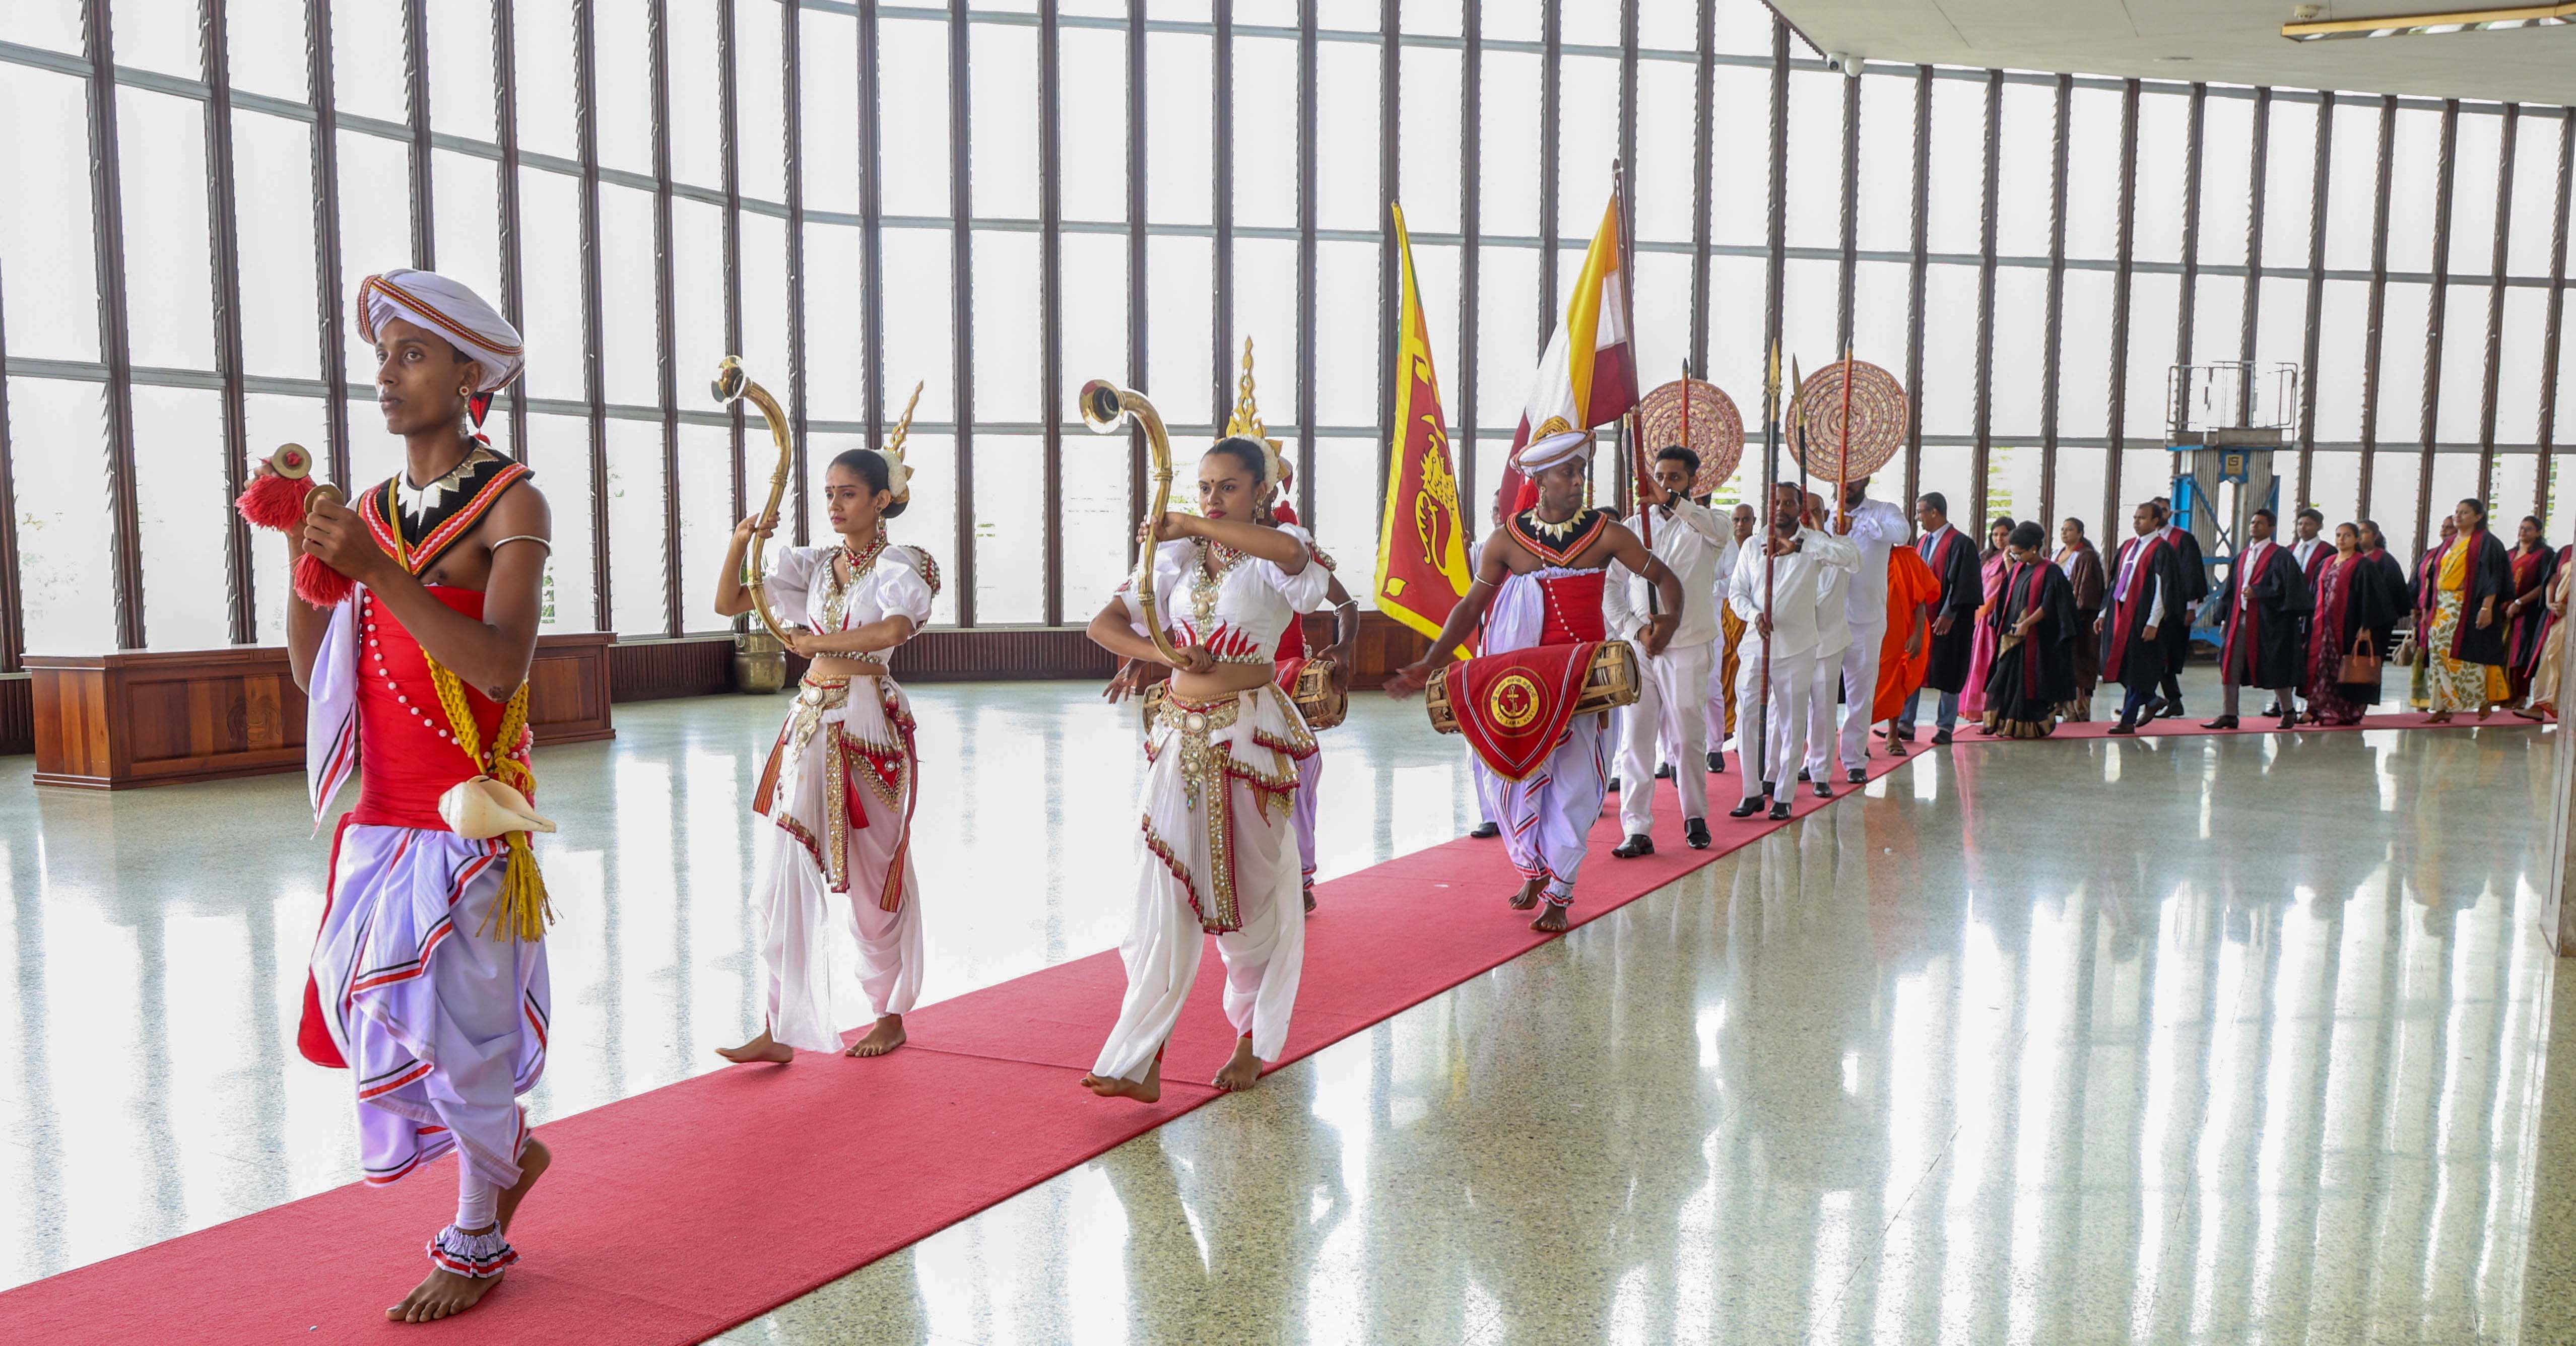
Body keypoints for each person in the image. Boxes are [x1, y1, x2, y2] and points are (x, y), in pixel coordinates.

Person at [279, 271, 555, 1322]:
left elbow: (498, 664)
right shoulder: (371, 512)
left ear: (469, 373)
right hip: (380, 816)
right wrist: (305, 557)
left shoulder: (513, 502)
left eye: (412, 355)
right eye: (383, 357)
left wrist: (378, 571)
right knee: (381, 1013)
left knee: (462, 1035)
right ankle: (509, 1153)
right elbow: (315, 672)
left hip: (469, 817)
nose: (387, 377)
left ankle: (477, 1236)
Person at [1081, 435, 1331, 1102]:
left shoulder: (1278, 551)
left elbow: (1298, 563)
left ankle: (1249, 1039)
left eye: (1228, 487)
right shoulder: (1177, 560)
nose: (1213, 498)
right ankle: (1141, 1058)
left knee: (1249, 899)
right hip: (1178, 737)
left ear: (1261, 492)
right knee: (1161, 892)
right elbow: (1102, 623)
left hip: (1248, 739)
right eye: (1203, 487)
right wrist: (1162, 654)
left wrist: (1190, 521)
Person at [1386, 431, 1682, 931]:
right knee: (1512, 780)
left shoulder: (1607, 534)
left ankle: (1560, 891)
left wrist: (1668, 621)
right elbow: (1471, 607)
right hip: (1520, 686)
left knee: (1573, 787)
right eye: (1567, 473)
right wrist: (1429, 661)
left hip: (1584, 680)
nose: (1578, 481)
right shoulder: (1506, 540)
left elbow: (1665, 579)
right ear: (1540, 480)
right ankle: (1532, 868)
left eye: (1581, 471)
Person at [712, 437, 936, 1066]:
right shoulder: (812, 565)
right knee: (783, 872)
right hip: (811, 719)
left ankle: (888, 1014)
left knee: (872, 873)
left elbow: (895, 628)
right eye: (830, 494)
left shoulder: (902, 562)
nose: (835, 504)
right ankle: (780, 1024)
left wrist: (819, 643)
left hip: (867, 725)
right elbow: (731, 601)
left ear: (881, 500)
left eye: (849, 493)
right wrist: (741, 542)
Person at [1604, 447, 1730, 856]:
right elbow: (1611, 588)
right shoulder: (1631, 528)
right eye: (1659, 476)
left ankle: (1694, 816)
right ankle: (1636, 827)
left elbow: (1720, 533)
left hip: (1688, 644)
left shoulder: (1708, 525)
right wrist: (1634, 629)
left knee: (1687, 736)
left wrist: (1673, 503)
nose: (1664, 484)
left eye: (1674, 478)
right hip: (1640, 646)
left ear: (1693, 481)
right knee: (1636, 737)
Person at [1726, 491, 1860, 820]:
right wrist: (1754, 615)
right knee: (1747, 717)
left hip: (1797, 647)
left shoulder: (1812, 543)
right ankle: (1751, 792)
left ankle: (1784, 796)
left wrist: (1799, 547)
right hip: (1756, 645)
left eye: (1788, 503)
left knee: (1792, 721)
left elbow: (1851, 559)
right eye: (1775, 502)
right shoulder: (1752, 545)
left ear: (1799, 508)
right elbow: (1737, 592)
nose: (1780, 508)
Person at [1825, 477, 1910, 783]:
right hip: (1827, 618)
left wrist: (1860, 525)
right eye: (1842, 477)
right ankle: (1816, 760)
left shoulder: (1884, 511)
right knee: (1820, 694)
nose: (1847, 482)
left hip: (1867, 619)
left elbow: (1903, 534)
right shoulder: (1824, 514)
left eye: (1854, 477)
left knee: (1860, 694)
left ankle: (1854, 759)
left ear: (1867, 479)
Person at [2200, 507, 2313, 731]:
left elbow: (2289, 589)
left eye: (2260, 523)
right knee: (2230, 664)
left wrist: (2259, 592)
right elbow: (2231, 590)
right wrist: (2224, 618)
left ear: (2271, 528)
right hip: (2240, 619)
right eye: (2253, 522)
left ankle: (2288, 711)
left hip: (2270, 622)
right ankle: (2229, 714)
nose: (2254, 526)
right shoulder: (2242, 556)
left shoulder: (2281, 556)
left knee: (2276, 665)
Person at [2416, 498, 2516, 723]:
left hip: (2467, 606)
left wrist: (2487, 607)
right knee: (2438, 654)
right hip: (2442, 605)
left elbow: (2493, 577)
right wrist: (2428, 608)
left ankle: (2483, 698)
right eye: (2457, 512)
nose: (2458, 516)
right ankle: (2442, 707)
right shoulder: (2449, 542)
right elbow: (2433, 576)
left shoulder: (2487, 542)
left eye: (2465, 513)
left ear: (2478, 517)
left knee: (2464, 654)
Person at [1978, 521, 2078, 737]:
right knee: (2004, 679)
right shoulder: (2019, 568)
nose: (2016, 557)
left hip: (2036, 640)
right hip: (2011, 637)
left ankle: (2029, 726)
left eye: (2019, 553)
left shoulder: (2051, 571)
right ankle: (2000, 723)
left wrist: (2027, 624)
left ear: (2034, 548)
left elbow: (2050, 604)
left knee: (2028, 685)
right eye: (2014, 554)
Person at [1895, 492, 1980, 746]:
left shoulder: (1961, 543)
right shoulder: (1922, 542)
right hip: (1922, 620)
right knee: (1913, 666)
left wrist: (1949, 613)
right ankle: (1905, 724)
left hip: (1949, 622)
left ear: (1934, 512)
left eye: (1920, 512)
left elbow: (1964, 583)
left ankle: (1945, 727)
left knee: (1949, 671)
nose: (1917, 518)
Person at [2099, 499, 2189, 735]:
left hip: (2142, 614)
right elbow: (2115, 581)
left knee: (2136, 666)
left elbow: (2163, 588)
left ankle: (2128, 720)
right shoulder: (2128, 546)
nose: (2137, 522)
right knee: (2115, 662)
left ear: (2156, 521)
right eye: (2135, 518)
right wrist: (2104, 612)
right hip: (2119, 611)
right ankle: (2151, 699)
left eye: (2142, 518)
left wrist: (2153, 622)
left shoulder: (2162, 549)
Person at [2305, 522, 2400, 726]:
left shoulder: (2363, 565)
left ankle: (2345, 711)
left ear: (2356, 539)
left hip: (2349, 625)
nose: (2341, 539)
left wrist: (2366, 626)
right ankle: (2317, 707)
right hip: (2324, 625)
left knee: (2345, 668)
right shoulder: (2327, 563)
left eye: (2347, 536)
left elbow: (2372, 598)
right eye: (2338, 535)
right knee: (2322, 665)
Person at [1870, 536, 1941, 755]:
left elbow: (1920, 600)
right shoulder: (1862, 555)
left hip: (1899, 630)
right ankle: (1858, 739)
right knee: (1862, 684)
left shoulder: (1907, 558)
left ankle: (1893, 734)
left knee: (1897, 682)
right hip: (1865, 630)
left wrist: (1917, 634)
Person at [1704, 502, 1755, 771]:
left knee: (1713, 687)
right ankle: (1670, 756)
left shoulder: (1725, 542)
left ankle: (1714, 747)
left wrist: (1700, 587)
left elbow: (1732, 583)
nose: (1740, 525)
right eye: (1737, 519)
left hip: (1714, 623)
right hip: (1676, 625)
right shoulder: (1671, 535)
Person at [2150, 497, 2210, 718]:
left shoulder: (2183, 539)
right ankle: (2148, 699)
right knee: (2150, 655)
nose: (2160, 514)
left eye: (2164, 510)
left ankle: (2170, 700)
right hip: (2151, 607)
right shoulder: (2147, 541)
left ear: (2170, 513)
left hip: (2174, 609)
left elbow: (2192, 573)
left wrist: (2191, 607)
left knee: (2166, 655)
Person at [1960, 516, 2015, 731]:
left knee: (1993, 662)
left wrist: (2008, 558)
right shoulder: (1986, 557)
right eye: (1995, 535)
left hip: (1998, 617)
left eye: (2004, 535)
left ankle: (1994, 711)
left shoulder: (2014, 558)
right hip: (1981, 616)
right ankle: (1976, 708)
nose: (1999, 539)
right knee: (1977, 662)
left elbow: (2014, 581)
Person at [2053, 517, 2106, 720]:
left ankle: (2079, 711)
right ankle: (2063, 708)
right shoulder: (2057, 554)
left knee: (2079, 662)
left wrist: (2072, 613)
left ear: (2080, 533)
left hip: (2079, 620)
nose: (2065, 533)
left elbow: (2087, 593)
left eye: (2070, 530)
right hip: (2057, 616)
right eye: (2063, 529)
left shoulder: (2087, 557)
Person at [2504, 516, 2560, 707]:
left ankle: (2521, 696)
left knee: (2522, 653)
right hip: (2505, 610)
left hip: (2529, 612)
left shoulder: (2544, 555)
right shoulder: (2510, 554)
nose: (2523, 532)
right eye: (2521, 528)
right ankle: (2503, 696)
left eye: (2528, 529)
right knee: (2503, 651)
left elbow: (2544, 584)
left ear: (2538, 533)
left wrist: (2520, 602)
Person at [2408, 514, 2458, 710]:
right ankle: (2421, 700)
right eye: (2443, 527)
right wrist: (2414, 606)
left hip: (2447, 614)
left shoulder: (2459, 555)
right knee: (2423, 656)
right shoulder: (2430, 554)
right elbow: (2416, 581)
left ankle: (2445, 701)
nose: (2444, 531)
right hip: (2424, 615)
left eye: (2449, 528)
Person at [2521, 553, 2573, 719]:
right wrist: (2550, 604)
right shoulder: (2566, 552)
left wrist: (2571, 608)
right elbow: (2552, 579)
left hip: (2571, 615)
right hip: (2558, 616)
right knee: (2550, 657)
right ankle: (2540, 704)